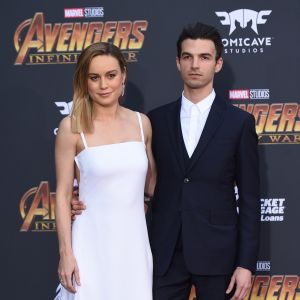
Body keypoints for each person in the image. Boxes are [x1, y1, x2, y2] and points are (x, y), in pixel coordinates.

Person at [72, 22, 260, 300]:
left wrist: (245, 264)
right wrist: (81, 198)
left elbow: (250, 198)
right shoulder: (154, 120)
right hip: (163, 252)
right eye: (187, 57)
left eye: (204, 57)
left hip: (217, 255)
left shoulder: (239, 123)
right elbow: (137, 178)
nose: (195, 65)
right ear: (177, 62)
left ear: (218, 64)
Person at [54, 42, 155, 300]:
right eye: (94, 77)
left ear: (123, 76)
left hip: (134, 246)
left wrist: (141, 204)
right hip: (90, 245)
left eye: (111, 75)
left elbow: (150, 182)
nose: (104, 85)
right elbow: (64, 195)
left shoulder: (142, 123)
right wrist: (66, 253)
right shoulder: (71, 128)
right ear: (84, 82)